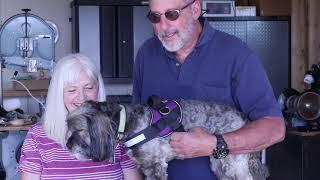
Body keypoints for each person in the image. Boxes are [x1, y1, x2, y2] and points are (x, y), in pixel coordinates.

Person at [132, 0, 286, 179]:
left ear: (195, 9)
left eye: (171, 14)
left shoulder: (237, 54)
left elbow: (274, 128)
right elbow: (136, 132)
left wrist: (215, 144)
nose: (163, 26)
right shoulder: (146, 54)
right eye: (155, 16)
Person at [19, 54, 142, 180]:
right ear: (58, 93)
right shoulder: (37, 136)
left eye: (89, 88)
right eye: (72, 90)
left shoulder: (119, 133)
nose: (82, 97)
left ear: (98, 89)